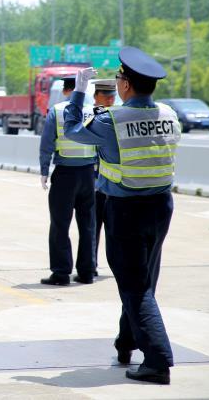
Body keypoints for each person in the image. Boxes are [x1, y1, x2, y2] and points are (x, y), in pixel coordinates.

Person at [64, 48, 181, 385]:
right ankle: (126, 343)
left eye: (118, 80)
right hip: (161, 206)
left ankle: (158, 361)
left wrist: (81, 91)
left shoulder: (112, 121)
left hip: (126, 210)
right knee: (142, 280)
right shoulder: (169, 114)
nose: (116, 84)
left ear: (126, 85)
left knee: (134, 286)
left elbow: (72, 128)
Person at [39, 76, 98, 286]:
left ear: (66, 90)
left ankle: (62, 273)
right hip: (89, 175)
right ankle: (87, 271)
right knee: (88, 225)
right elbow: (101, 143)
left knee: (60, 226)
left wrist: (44, 170)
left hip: (65, 175)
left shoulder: (56, 111)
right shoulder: (94, 111)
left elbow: (47, 144)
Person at [91, 79, 117, 278]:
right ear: (95, 96)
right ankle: (90, 264)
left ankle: (116, 264)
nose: (109, 100)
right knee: (92, 226)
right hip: (92, 181)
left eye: (112, 96)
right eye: (105, 96)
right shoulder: (88, 117)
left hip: (111, 183)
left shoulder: (118, 118)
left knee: (114, 229)